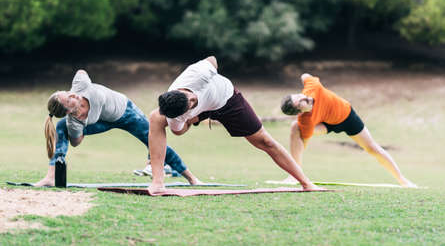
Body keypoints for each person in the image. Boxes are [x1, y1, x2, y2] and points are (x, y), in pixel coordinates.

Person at [147, 56, 324, 194]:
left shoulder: (197, 74)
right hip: (202, 113)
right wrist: (194, 118)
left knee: (265, 141)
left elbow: (212, 59)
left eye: (190, 97)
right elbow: (179, 131)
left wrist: (213, 73)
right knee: (155, 118)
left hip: (227, 98)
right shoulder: (176, 115)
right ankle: (157, 181)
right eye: (191, 104)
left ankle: (306, 183)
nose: (194, 99)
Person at [35, 69, 201, 187]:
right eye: (69, 99)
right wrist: (75, 132)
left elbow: (81, 72)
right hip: (102, 121)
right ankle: (51, 176)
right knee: (61, 126)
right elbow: (76, 142)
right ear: (68, 111)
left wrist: (79, 128)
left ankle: (191, 178)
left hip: (125, 112)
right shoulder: (73, 121)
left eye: (68, 92)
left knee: (154, 141)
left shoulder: (80, 87)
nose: (72, 94)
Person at [280, 73, 417, 188]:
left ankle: (402, 180)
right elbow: (304, 141)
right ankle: (294, 174)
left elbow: (305, 76)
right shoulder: (305, 120)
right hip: (326, 124)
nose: (304, 97)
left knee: (372, 148)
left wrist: (304, 76)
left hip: (346, 117)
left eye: (299, 95)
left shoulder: (312, 87)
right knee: (295, 128)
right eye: (300, 102)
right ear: (299, 111)